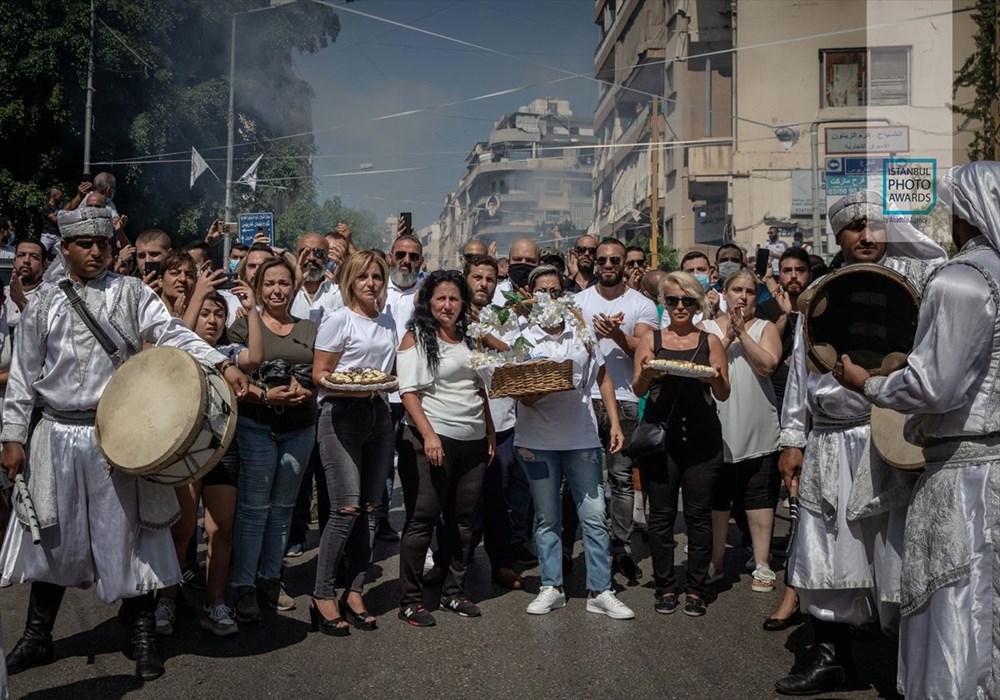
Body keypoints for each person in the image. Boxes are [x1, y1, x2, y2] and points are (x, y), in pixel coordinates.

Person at [0, 204, 247, 681]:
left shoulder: (133, 293)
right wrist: (12, 437)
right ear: (66, 249)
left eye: (104, 244)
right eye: (85, 245)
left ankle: (140, 635)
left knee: (131, 536)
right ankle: (37, 636)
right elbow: (23, 380)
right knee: (52, 536)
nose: (96, 252)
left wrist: (221, 363)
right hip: (56, 434)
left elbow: (172, 333)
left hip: (119, 438)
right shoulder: (44, 303)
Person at [836, 162, 999, 699]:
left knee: (955, 606)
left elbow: (935, 387)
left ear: (964, 213)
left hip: (964, 476)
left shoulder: (962, 280)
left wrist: (872, 384)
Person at [774, 190, 947, 695]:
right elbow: (800, 378)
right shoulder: (820, 293)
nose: (866, 235)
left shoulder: (919, 283)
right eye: (854, 227)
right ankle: (831, 657)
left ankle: (905, 665)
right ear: (837, 235)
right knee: (826, 547)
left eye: (875, 225)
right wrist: (792, 439)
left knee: (897, 550)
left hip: (894, 441)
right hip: (830, 439)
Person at [514, 265, 634, 619]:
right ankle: (551, 586)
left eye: (555, 291)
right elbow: (518, 389)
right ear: (532, 297)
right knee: (547, 517)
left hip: (581, 437)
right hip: (536, 439)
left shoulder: (581, 332)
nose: (550, 298)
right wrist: (532, 393)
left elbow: (602, 375)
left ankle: (601, 589)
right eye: (542, 292)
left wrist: (613, 422)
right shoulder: (522, 336)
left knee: (595, 516)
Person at [156, 287, 262, 638]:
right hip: (185, 451)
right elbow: (173, 339)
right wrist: (195, 296)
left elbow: (256, 358)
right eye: (205, 313)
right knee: (182, 530)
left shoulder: (230, 353)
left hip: (222, 450)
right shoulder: (176, 352)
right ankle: (166, 600)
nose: (213, 320)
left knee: (221, 529)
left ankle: (216, 602)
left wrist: (253, 309)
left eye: (219, 314)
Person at [396, 270, 494, 627]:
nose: (448, 305)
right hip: (434, 441)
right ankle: (409, 600)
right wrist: (429, 436)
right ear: (428, 302)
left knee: (464, 523)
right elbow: (408, 392)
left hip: (473, 441)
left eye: (454, 299)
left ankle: (454, 591)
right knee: (422, 520)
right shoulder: (416, 337)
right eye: (441, 298)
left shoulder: (470, 339)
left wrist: (490, 433)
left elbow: (479, 388)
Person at [310, 250, 397, 635]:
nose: (371, 283)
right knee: (345, 508)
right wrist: (346, 384)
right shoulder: (338, 320)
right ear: (350, 280)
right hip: (340, 414)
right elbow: (321, 374)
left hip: (378, 413)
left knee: (373, 508)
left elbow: (388, 371)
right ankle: (322, 594)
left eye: (377, 276)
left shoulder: (389, 321)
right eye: (363, 277)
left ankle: (355, 590)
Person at [632, 272, 729, 615]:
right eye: (672, 300)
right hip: (661, 439)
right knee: (661, 515)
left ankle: (696, 588)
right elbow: (638, 388)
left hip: (702, 439)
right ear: (664, 303)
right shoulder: (652, 338)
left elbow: (723, 392)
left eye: (688, 300)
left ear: (699, 303)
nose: (680, 307)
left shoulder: (710, 341)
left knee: (698, 516)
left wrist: (715, 378)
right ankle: (665, 586)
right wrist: (647, 373)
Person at [228, 257, 318, 623]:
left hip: (299, 427)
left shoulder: (310, 328)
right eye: (269, 284)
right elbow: (229, 375)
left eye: (284, 283)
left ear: (294, 288)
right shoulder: (240, 326)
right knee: (253, 508)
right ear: (258, 288)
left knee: (283, 508)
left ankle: (271, 577)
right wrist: (265, 395)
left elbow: (322, 370)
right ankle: (244, 585)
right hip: (255, 425)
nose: (277, 290)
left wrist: (306, 387)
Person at [571, 237, 659, 581]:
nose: (607, 266)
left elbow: (647, 348)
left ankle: (620, 546)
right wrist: (591, 334)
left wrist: (618, 335)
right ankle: (579, 545)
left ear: (625, 264)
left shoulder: (640, 304)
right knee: (581, 478)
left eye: (614, 261)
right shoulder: (578, 301)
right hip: (583, 399)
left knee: (621, 478)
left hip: (623, 400)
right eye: (602, 260)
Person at [701, 270, 781, 592]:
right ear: (725, 292)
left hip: (758, 426)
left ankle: (762, 563)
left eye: (749, 291)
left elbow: (767, 365)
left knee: (758, 496)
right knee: (718, 499)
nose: (743, 297)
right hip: (716, 428)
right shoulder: (705, 328)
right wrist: (728, 337)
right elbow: (704, 363)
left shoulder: (766, 328)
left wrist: (743, 335)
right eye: (736, 290)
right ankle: (717, 561)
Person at [464, 254, 523, 589]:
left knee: (498, 495)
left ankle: (501, 563)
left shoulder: (506, 316)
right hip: (461, 420)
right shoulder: (450, 310)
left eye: (489, 278)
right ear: (466, 277)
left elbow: (518, 355)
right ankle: (453, 558)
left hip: (501, 419)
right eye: (477, 277)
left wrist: (488, 337)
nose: (483, 284)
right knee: (457, 498)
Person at [762, 246, 812, 632]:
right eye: (786, 271)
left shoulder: (824, 307)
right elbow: (772, 362)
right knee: (796, 510)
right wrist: (784, 315)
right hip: (785, 419)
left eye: (800, 270)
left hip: (826, 423)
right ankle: (792, 595)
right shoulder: (775, 313)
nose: (793, 277)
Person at [6, 238, 48, 332]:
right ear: (14, 261)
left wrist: (21, 301)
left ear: (45, 265)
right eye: (21, 255)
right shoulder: (3, 293)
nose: (26, 260)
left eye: (34, 257)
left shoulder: (54, 296)